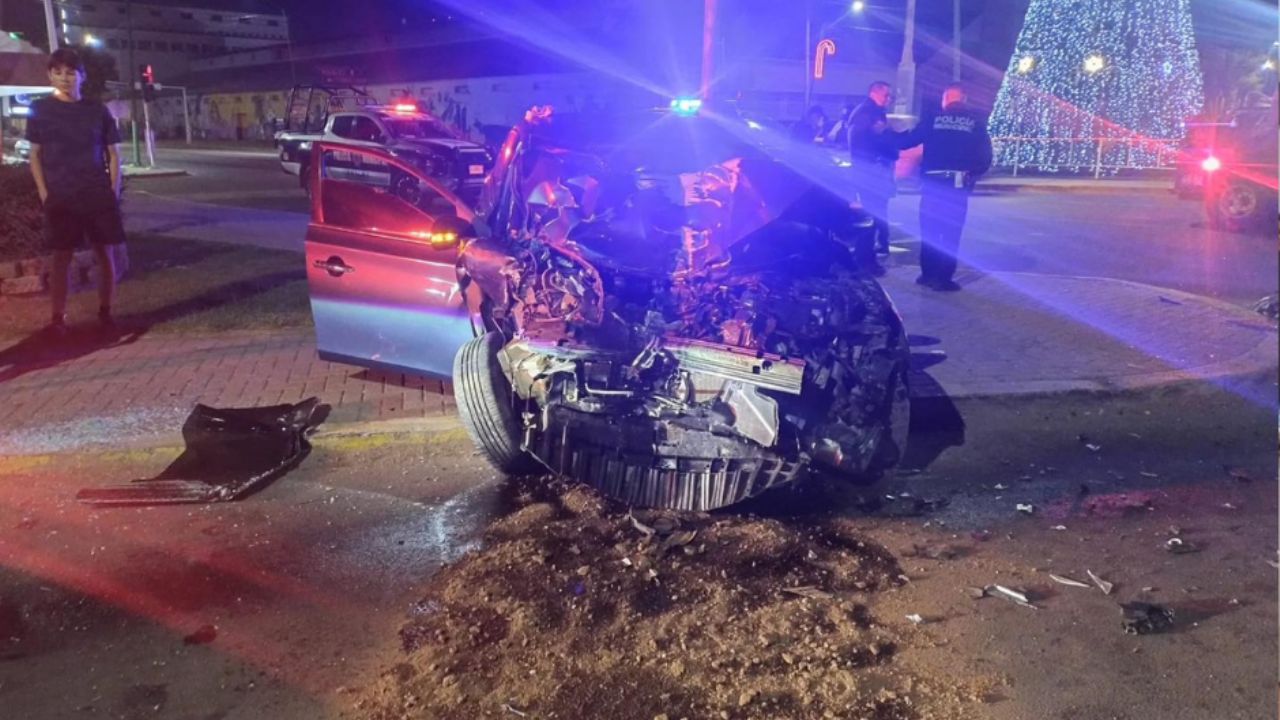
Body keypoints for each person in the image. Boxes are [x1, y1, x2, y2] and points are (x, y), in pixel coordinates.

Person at [26, 47, 125, 336]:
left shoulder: (97, 111)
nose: (64, 78)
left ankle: (105, 312)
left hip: (96, 194)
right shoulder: (41, 109)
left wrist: (113, 190)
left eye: (71, 73)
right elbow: (34, 155)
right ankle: (58, 318)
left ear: (81, 76)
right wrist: (44, 192)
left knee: (105, 255)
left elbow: (114, 154)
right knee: (61, 259)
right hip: (62, 196)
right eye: (58, 73)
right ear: (50, 76)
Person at [900, 83, 992, 292]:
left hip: (932, 184)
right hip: (956, 186)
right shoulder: (976, 124)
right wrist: (972, 174)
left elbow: (908, 141)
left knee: (929, 230)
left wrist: (884, 136)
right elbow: (985, 157)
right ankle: (943, 279)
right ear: (964, 100)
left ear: (945, 100)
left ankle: (927, 274)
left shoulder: (933, 119)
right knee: (950, 233)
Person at [847, 81, 904, 265]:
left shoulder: (873, 113)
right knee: (871, 214)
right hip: (870, 171)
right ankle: (866, 258)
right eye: (886, 95)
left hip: (874, 170)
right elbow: (860, 143)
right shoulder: (866, 114)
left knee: (877, 210)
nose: (889, 99)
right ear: (874, 93)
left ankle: (876, 248)